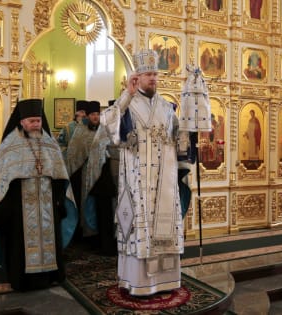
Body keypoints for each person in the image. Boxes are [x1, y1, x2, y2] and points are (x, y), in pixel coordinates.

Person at [100, 49, 190, 296]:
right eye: (148, 74)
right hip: (137, 181)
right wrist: (125, 95)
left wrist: (192, 131)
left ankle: (167, 281)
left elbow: (179, 139)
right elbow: (107, 124)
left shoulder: (167, 106)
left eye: (155, 74)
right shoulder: (127, 104)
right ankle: (137, 282)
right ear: (136, 78)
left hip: (164, 181)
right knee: (139, 227)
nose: (153, 78)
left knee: (163, 226)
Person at [0, 98, 78, 292]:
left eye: (38, 120)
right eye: (32, 121)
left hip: (47, 204)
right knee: (19, 246)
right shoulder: (10, 145)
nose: (36, 124)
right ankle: (22, 281)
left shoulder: (50, 143)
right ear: (22, 122)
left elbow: (60, 175)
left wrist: (58, 197)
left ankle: (51, 276)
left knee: (50, 241)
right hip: (19, 207)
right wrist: (6, 207)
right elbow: (0, 178)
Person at [65, 100, 117, 256]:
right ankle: (92, 241)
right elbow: (74, 155)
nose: (96, 117)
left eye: (98, 114)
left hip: (105, 178)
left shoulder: (105, 130)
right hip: (87, 177)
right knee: (89, 210)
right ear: (87, 116)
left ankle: (107, 243)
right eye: (93, 114)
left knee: (106, 211)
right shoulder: (80, 132)